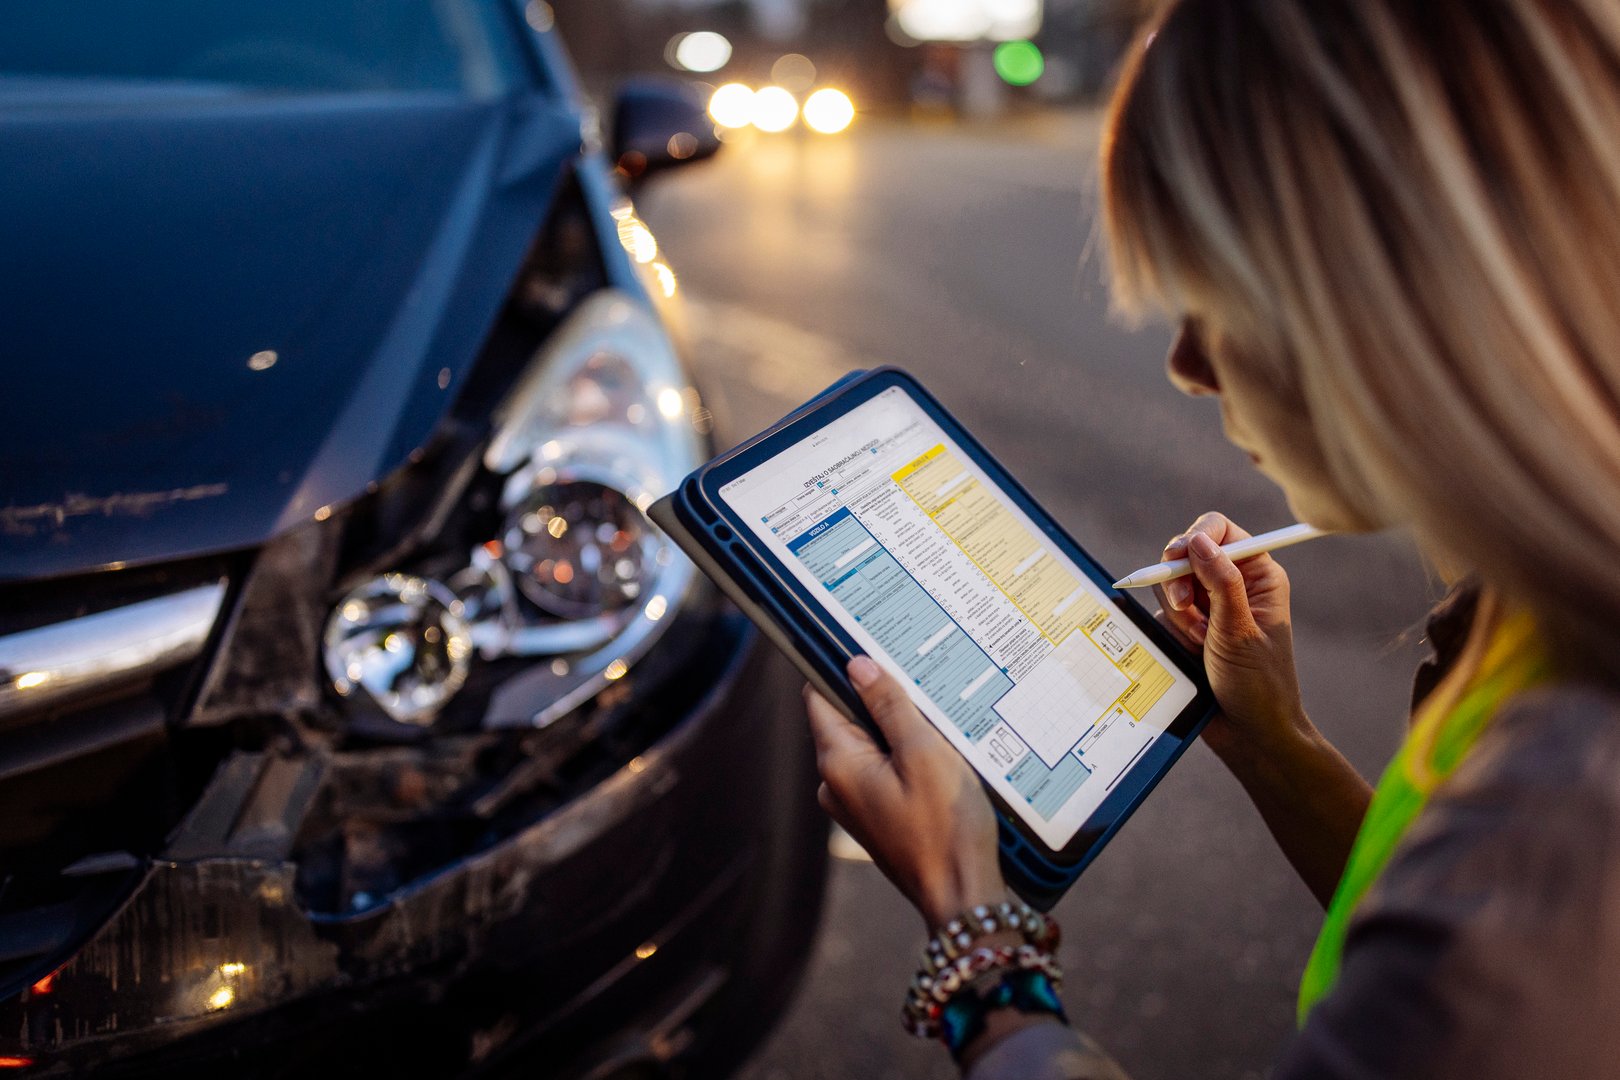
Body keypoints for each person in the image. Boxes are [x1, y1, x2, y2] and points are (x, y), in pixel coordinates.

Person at [801, 0, 1620, 1076]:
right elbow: (1418, 939)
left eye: (1211, 295)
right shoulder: (1538, 619)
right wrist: (1276, 742)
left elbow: (1470, 955)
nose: (1187, 365)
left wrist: (976, 936)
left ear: (1386, 292)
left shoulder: (1569, 811)